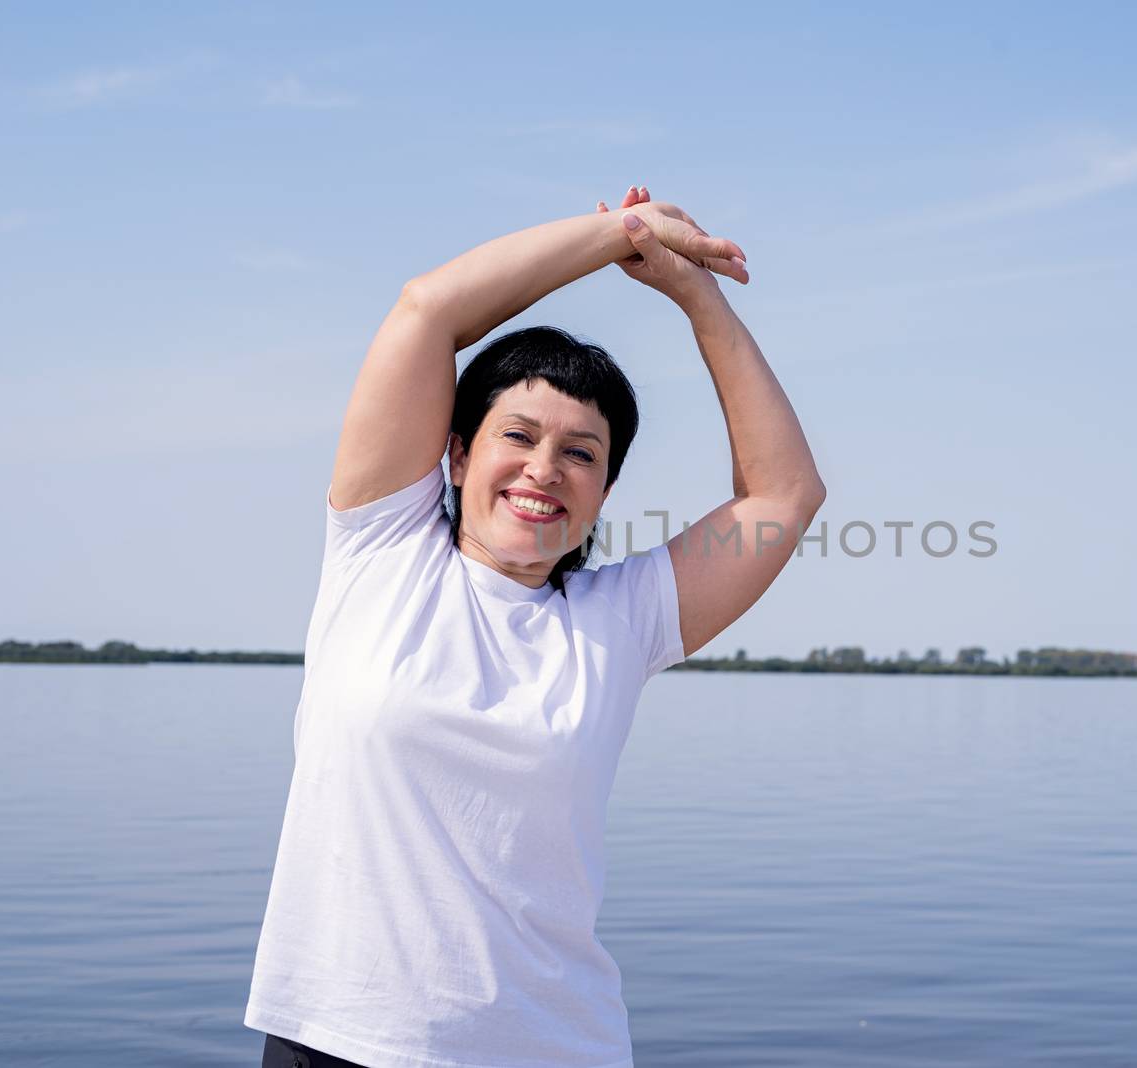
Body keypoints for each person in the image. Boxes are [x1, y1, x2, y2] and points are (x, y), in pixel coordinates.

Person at [244, 186, 826, 1068]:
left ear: (602, 492)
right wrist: (621, 234)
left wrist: (693, 293)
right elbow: (428, 310)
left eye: (581, 454)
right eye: (517, 434)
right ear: (458, 452)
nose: (542, 471)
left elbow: (784, 496)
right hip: (338, 1042)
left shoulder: (620, 623)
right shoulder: (381, 554)